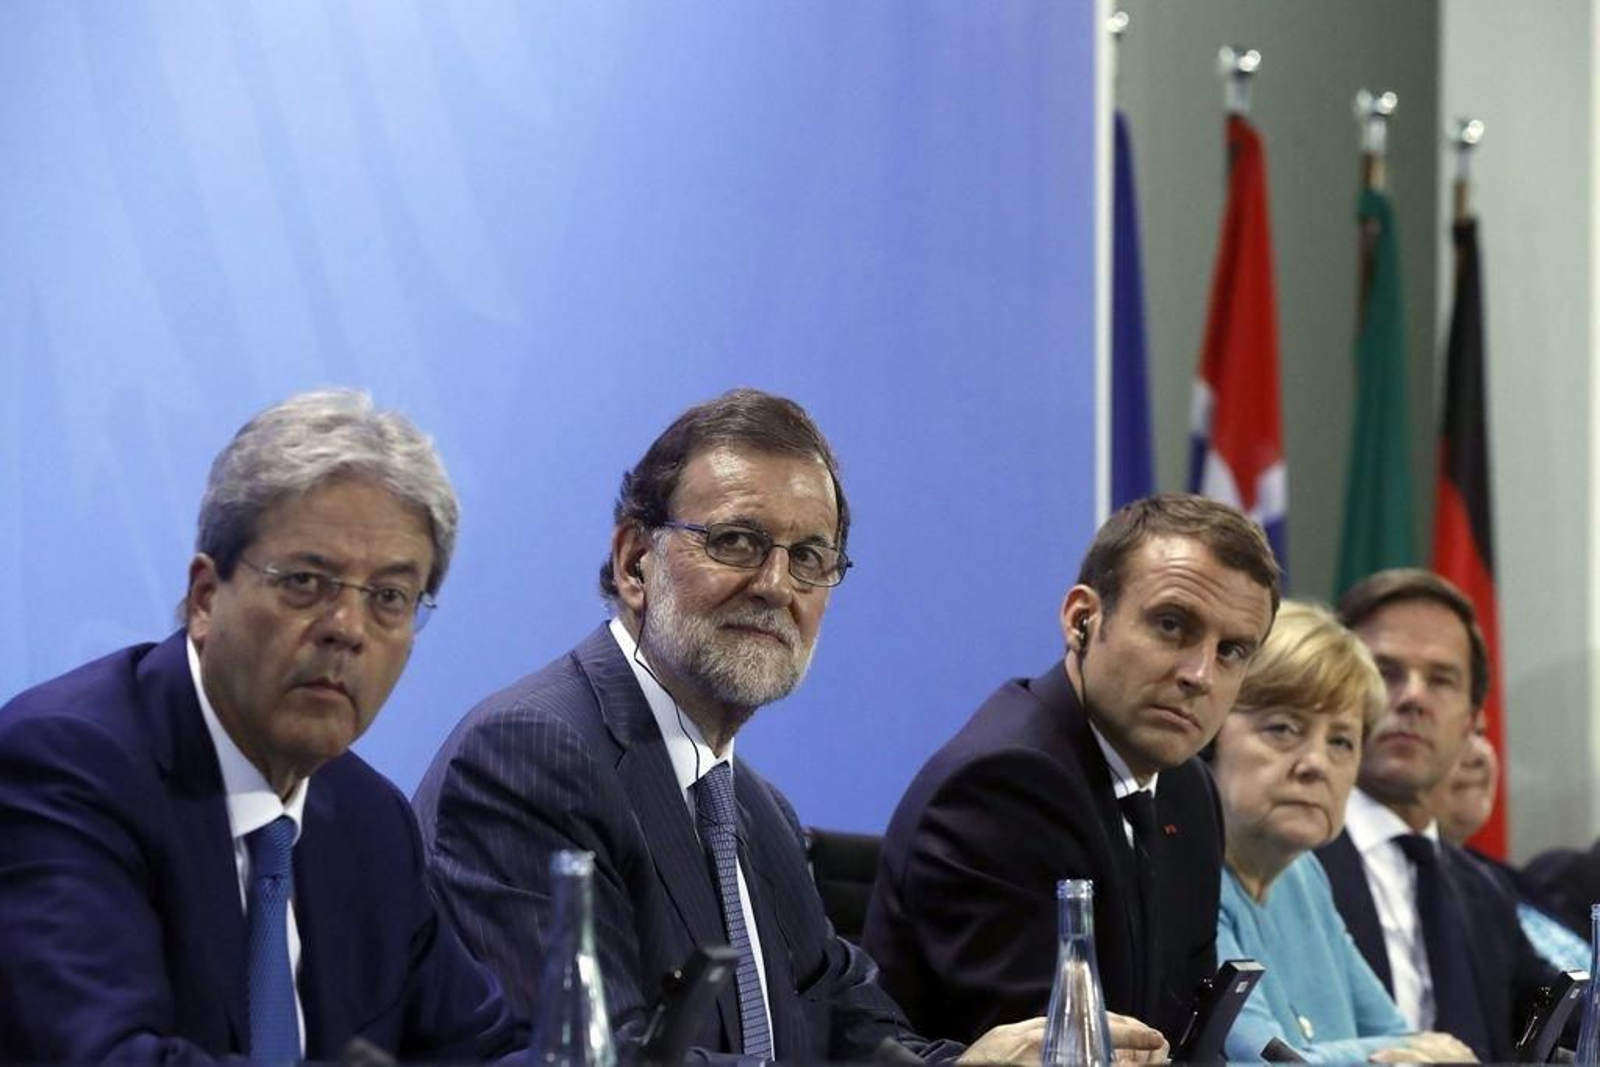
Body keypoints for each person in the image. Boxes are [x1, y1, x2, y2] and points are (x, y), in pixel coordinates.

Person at [415, 389, 1159, 1064]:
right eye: (736, 540)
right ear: (636, 561)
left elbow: (851, 1026)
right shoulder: (528, 753)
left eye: (809, 557)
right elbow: (590, 1056)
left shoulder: (756, 808)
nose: (776, 586)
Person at [0, 390, 521, 1063]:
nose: (347, 629)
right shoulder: (66, 765)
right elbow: (111, 1057)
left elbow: (487, 1051)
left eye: (389, 597)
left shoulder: (371, 822)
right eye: (306, 581)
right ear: (205, 598)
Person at [863, 493, 1280, 1046]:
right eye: (1172, 625)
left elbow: (1189, 1036)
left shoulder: (1187, 787)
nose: (1200, 673)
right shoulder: (1004, 784)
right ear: (1082, 619)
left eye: (1232, 651)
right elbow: (1051, 1053)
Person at [1209, 601, 1473, 1064]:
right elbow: (1264, 1061)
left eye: (1341, 742)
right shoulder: (1186, 876)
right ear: (1210, 731)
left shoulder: (1304, 876)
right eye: (1284, 729)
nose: (1315, 764)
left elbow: (1400, 1036)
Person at [1317, 568, 1557, 1062]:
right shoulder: (1288, 857)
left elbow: (1563, 1026)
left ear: (1472, 722)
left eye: (1441, 679)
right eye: (1387, 672)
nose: (1412, 698)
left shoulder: (1485, 894)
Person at [1429, 732, 1589, 971]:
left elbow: (1546, 999)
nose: (1476, 757)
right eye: (1460, 735)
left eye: (1480, 733)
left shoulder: (1499, 883)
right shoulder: (1416, 894)